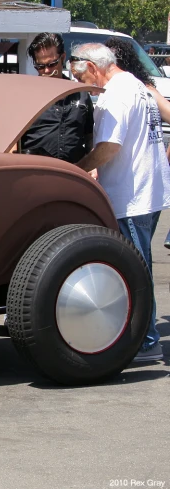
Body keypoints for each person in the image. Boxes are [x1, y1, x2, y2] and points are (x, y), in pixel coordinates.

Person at [70, 42, 170, 362]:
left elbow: (110, 147)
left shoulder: (116, 94)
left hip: (131, 196)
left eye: (81, 76)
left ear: (95, 68)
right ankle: (144, 335)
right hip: (150, 191)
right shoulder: (137, 85)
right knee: (139, 267)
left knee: (136, 271)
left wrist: (77, 170)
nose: (83, 85)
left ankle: (147, 340)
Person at [104, 37, 170, 247]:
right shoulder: (145, 88)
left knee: (136, 259)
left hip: (137, 190)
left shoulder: (132, 89)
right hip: (153, 186)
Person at [16, 33, 94, 163]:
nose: (46, 71)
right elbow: (13, 140)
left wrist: (92, 165)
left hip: (73, 171)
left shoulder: (80, 93)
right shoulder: (26, 96)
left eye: (51, 64)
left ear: (62, 57)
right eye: (40, 66)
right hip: (35, 171)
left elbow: (89, 136)